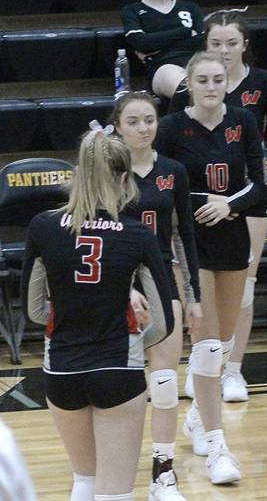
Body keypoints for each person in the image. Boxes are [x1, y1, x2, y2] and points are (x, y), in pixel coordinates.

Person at [21, 129, 175, 501]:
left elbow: (34, 310)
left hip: (62, 369)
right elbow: (163, 321)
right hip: (117, 369)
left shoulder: (43, 226)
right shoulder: (137, 234)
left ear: (79, 173)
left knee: (84, 481)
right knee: (114, 494)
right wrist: (134, 340)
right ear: (124, 179)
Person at [171, 8, 267, 403]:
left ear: (244, 45)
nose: (224, 50)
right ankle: (204, 365)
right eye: (215, 43)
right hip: (202, 205)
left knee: (244, 289)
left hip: (246, 200)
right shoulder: (189, 96)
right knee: (201, 291)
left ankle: (232, 370)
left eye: (231, 43)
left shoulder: (261, 87)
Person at [158, 51, 267, 485]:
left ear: (227, 82)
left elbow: (260, 185)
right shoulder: (170, 128)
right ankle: (217, 444)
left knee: (222, 342)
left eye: (217, 79)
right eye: (201, 79)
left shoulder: (243, 121)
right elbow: (159, 182)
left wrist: (230, 205)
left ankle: (199, 416)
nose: (210, 86)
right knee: (204, 342)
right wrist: (198, 207)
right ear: (189, 82)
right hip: (191, 240)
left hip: (233, 234)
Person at [110, 92, 202, 501]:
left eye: (149, 120)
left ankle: (163, 472)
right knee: (121, 384)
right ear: (117, 126)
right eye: (133, 121)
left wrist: (194, 294)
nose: (143, 128)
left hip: (163, 277)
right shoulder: (107, 173)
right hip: (116, 282)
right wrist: (125, 288)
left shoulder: (174, 170)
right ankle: (113, 471)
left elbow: (185, 235)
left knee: (165, 381)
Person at [121, 0, 204, 98]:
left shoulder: (190, 8)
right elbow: (140, 43)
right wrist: (186, 32)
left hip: (197, 62)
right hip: (163, 66)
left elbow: (202, 41)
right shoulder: (133, 10)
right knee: (188, 90)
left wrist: (157, 44)